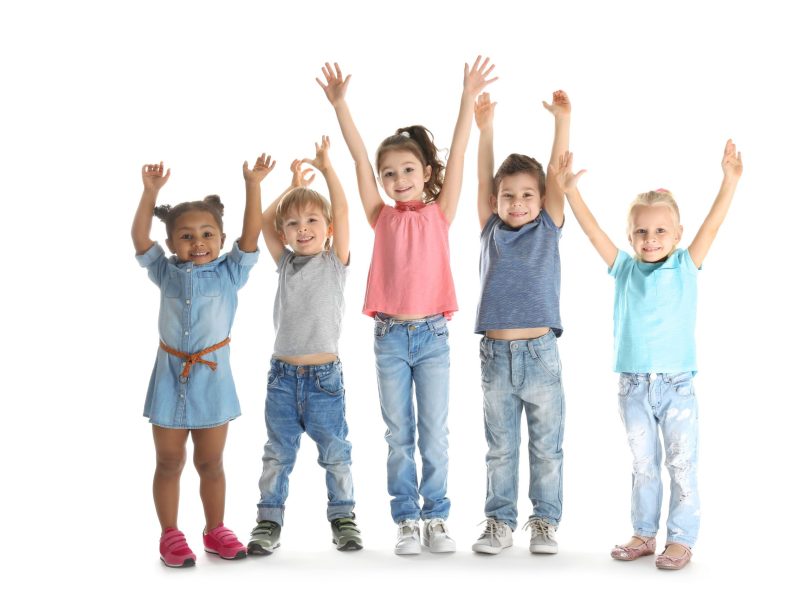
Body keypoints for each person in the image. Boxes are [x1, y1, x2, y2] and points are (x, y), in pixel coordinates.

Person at [318, 58, 496, 554]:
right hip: (391, 337)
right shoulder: (380, 216)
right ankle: (406, 520)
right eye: (390, 174)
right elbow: (358, 159)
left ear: (426, 173)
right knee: (399, 434)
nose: (398, 179)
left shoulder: (441, 213)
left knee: (434, 434)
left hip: (433, 336)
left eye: (408, 170)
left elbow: (459, 154)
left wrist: (466, 98)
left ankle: (436, 517)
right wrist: (341, 106)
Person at [552, 140, 743, 570]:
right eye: (641, 231)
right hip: (634, 386)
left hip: (676, 387)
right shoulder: (624, 268)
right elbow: (593, 232)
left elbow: (712, 226)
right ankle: (643, 533)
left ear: (677, 235)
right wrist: (571, 192)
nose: (650, 239)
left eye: (660, 231)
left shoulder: (685, 265)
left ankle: (681, 539)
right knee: (643, 464)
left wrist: (729, 181)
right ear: (630, 235)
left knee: (681, 463)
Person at [132, 154, 274, 566]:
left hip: (213, 382)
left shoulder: (231, 272)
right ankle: (170, 535)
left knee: (211, 462)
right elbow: (139, 238)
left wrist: (252, 184)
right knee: (169, 461)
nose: (198, 242)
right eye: (187, 236)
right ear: (172, 244)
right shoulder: (165, 272)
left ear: (221, 238)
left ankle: (215, 529)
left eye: (207, 234)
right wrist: (150, 193)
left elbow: (252, 234)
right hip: (169, 378)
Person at [248, 137, 362, 555]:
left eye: (312, 220)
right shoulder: (285, 263)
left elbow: (343, 210)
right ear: (286, 234)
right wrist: (292, 186)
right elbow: (264, 221)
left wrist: (327, 170)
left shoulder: (335, 262)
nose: (303, 229)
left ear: (328, 230)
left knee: (335, 453)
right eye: (294, 224)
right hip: (282, 378)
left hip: (324, 380)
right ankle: (268, 521)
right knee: (277, 454)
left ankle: (343, 518)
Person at [470, 89, 571, 555]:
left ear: (542, 199)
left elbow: (555, 171)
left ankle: (545, 521)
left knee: (546, 448)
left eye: (527, 195)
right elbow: (483, 177)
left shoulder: (548, 225)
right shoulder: (490, 227)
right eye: (508, 196)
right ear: (495, 200)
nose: (517, 203)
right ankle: (499, 522)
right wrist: (485, 129)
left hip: (540, 354)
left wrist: (562, 121)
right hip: (495, 357)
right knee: (501, 448)